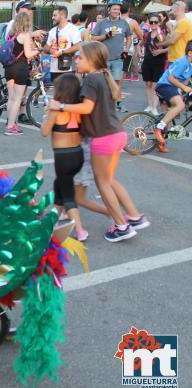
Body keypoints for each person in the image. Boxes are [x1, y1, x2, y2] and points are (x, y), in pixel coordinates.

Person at [48, 41, 149, 242]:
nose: (77, 60)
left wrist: (59, 106)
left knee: (103, 183)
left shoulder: (91, 80)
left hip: (103, 137)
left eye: (81, 57)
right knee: (109, 180)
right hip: (116, 133)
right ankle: (135, 217)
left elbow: (86, 108)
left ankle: (122, 226)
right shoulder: (102, 77)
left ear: (92, 60)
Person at [40, 73, 86, 241]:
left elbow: (44, 132)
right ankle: (52, 221)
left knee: (67, 194)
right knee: (59, 185)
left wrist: (47, 115)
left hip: (63, 157)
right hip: (77, 154)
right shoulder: (77, 109)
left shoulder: (56, 112)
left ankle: (80, 230)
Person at [91, 0, 131, 113]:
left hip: (118, 58)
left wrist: (126, 50)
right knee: (104, 82)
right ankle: (103, 104)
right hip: (104, 58)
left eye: (118, 9)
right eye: (114, 9)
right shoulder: (102, 23)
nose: (117, 11)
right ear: (109, 10)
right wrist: (106, 36)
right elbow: (93, 37)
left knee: (117, 82)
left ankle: (119, 103)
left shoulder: (123, 23)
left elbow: (129, 37)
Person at [4, 12, 40, 136]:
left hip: (8, 68)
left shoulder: (11, 35)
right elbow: (28, 54)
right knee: (17, 98)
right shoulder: (25, 35)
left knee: (11, 98)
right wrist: (38, 50)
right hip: (20, 68)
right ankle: (10, 127)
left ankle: (11, 122)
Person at [153, 40, 192, 153]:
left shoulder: (190, 64)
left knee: (168, 116)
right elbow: (171, 78)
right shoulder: (183, 62)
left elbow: (186, 81)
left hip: (170, 87)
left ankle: (161, 142)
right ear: (190, 53)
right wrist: (184, 88)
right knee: (180, 106)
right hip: (165, 85)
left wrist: (186, 85)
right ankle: (158, 127)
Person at [44, 6, 82, 83]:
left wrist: (62, 52)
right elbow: (45, 48)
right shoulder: (52, 31)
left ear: (62, 15)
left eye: (55, 15)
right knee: (57, 93)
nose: (52, 17)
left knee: (68, 93)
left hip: (68, 68)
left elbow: (78, 46)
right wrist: (51, 50)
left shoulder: (72, 29)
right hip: (54, 68)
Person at [141, 14, 167, 117]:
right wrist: (138, 51)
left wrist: (161, 51)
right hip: (147, 62)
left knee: (156, 86)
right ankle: (150, 105)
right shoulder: (147, 34)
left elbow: (170, 47)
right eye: (151, 22)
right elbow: (141, 43)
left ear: (159, 23)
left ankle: (154, 107)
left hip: (159, 63)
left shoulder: (163, 34)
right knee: (148, 84)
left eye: (155, 22)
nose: (153, 24)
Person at [121, 4, 143, 81]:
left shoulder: (114, 20)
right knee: (122, 73)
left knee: (117, 73)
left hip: (115, 48)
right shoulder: (133, 22)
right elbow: (141, 36)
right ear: (129, 10)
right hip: (127, 49)